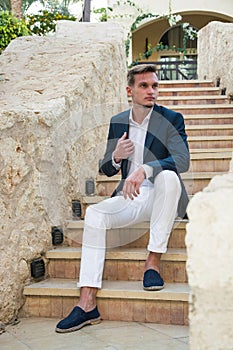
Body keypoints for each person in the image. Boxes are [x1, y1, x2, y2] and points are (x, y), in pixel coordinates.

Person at [55, 64, 190, 333]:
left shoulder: (172, 119)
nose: (151, 91)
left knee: (169, 177)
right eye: (144, 86)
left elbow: (182, 160)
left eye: (154, 85)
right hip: (133, 196)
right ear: (130, 91)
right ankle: (87, 302)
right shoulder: (118, 121)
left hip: (165, 196)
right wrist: (116, 157)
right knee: (94, 214)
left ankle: (152, 263)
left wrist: (146, 168)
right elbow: (105, 168)